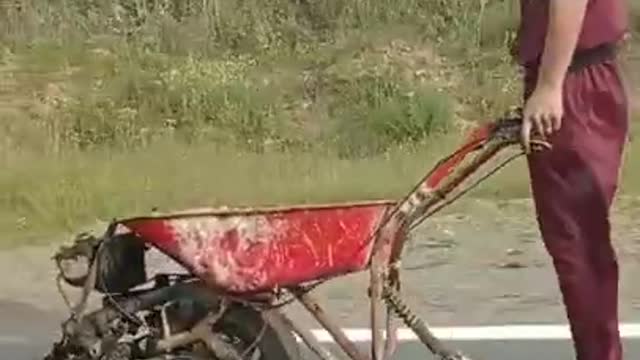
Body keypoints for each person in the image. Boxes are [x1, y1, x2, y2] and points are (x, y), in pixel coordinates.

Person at [515, 0, 630, 359]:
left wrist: (550, 85)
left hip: (573, 82)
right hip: (584, 75)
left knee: (577, 245)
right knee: (582, 242)